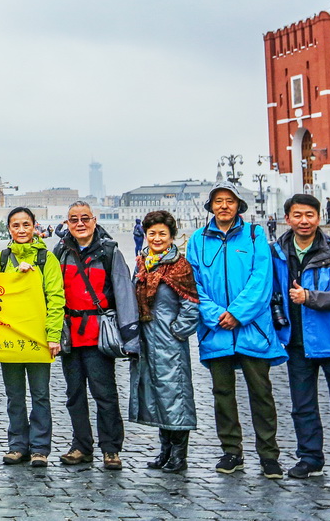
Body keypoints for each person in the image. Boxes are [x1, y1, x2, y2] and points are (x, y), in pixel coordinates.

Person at [186, 182, 286, 480]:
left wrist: (238, 314)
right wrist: (216, 315)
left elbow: (261, 279)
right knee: (223, 394)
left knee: (261, 393)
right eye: (218, 201)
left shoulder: (255, 235)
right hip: (216, 330)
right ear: (211, 206)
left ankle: (268, 455)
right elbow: (193, 283)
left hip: (252, 328)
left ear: (238, 205)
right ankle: (231, 451)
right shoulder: (197, 240)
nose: (224, 206)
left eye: (229, 201)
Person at [273, 194, 330, 486]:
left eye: (309, 215)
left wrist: (309, 297)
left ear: (318, 217)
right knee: (302, 406)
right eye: (298, 215)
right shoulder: (277, 253)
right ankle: (310, 458)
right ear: (287, 218)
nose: (304, 221)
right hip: (296, 342)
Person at [53, 201, 138, 471]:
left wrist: (130, 336)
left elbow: (124, 293)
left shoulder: (110, 252)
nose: (80, 224)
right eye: (74, 219)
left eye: (85, 218)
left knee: (105, 393)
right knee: (74, 394)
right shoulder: (60, 252)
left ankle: (111, 448)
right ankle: (81, 445)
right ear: (67, 223)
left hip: (99, 333)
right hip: (70, 333)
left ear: (94, 220)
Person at [0, 207, 64, 468]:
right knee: (14, 395)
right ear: (9, 229)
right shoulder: (1, 259)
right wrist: (15, 276)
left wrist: (53, 335)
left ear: (35, 227)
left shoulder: (47, 259)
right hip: (10, 337)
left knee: (40, 394)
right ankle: (17, 445)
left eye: (26, 225)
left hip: (38, 337)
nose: (21, 230)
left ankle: (40, 448)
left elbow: (56, 298)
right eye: (16, 225)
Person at [130, 210, 199, 474]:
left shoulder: (179, 266)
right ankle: (165, 450)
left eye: (162, 234)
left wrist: (177, 332)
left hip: (169, 342)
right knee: (157, 394)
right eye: (152, 233)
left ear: (171, 237)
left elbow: (191, 305)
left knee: (175, 395)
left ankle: (179, 455)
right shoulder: (142, 263)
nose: (157, 238)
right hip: (147, 339)